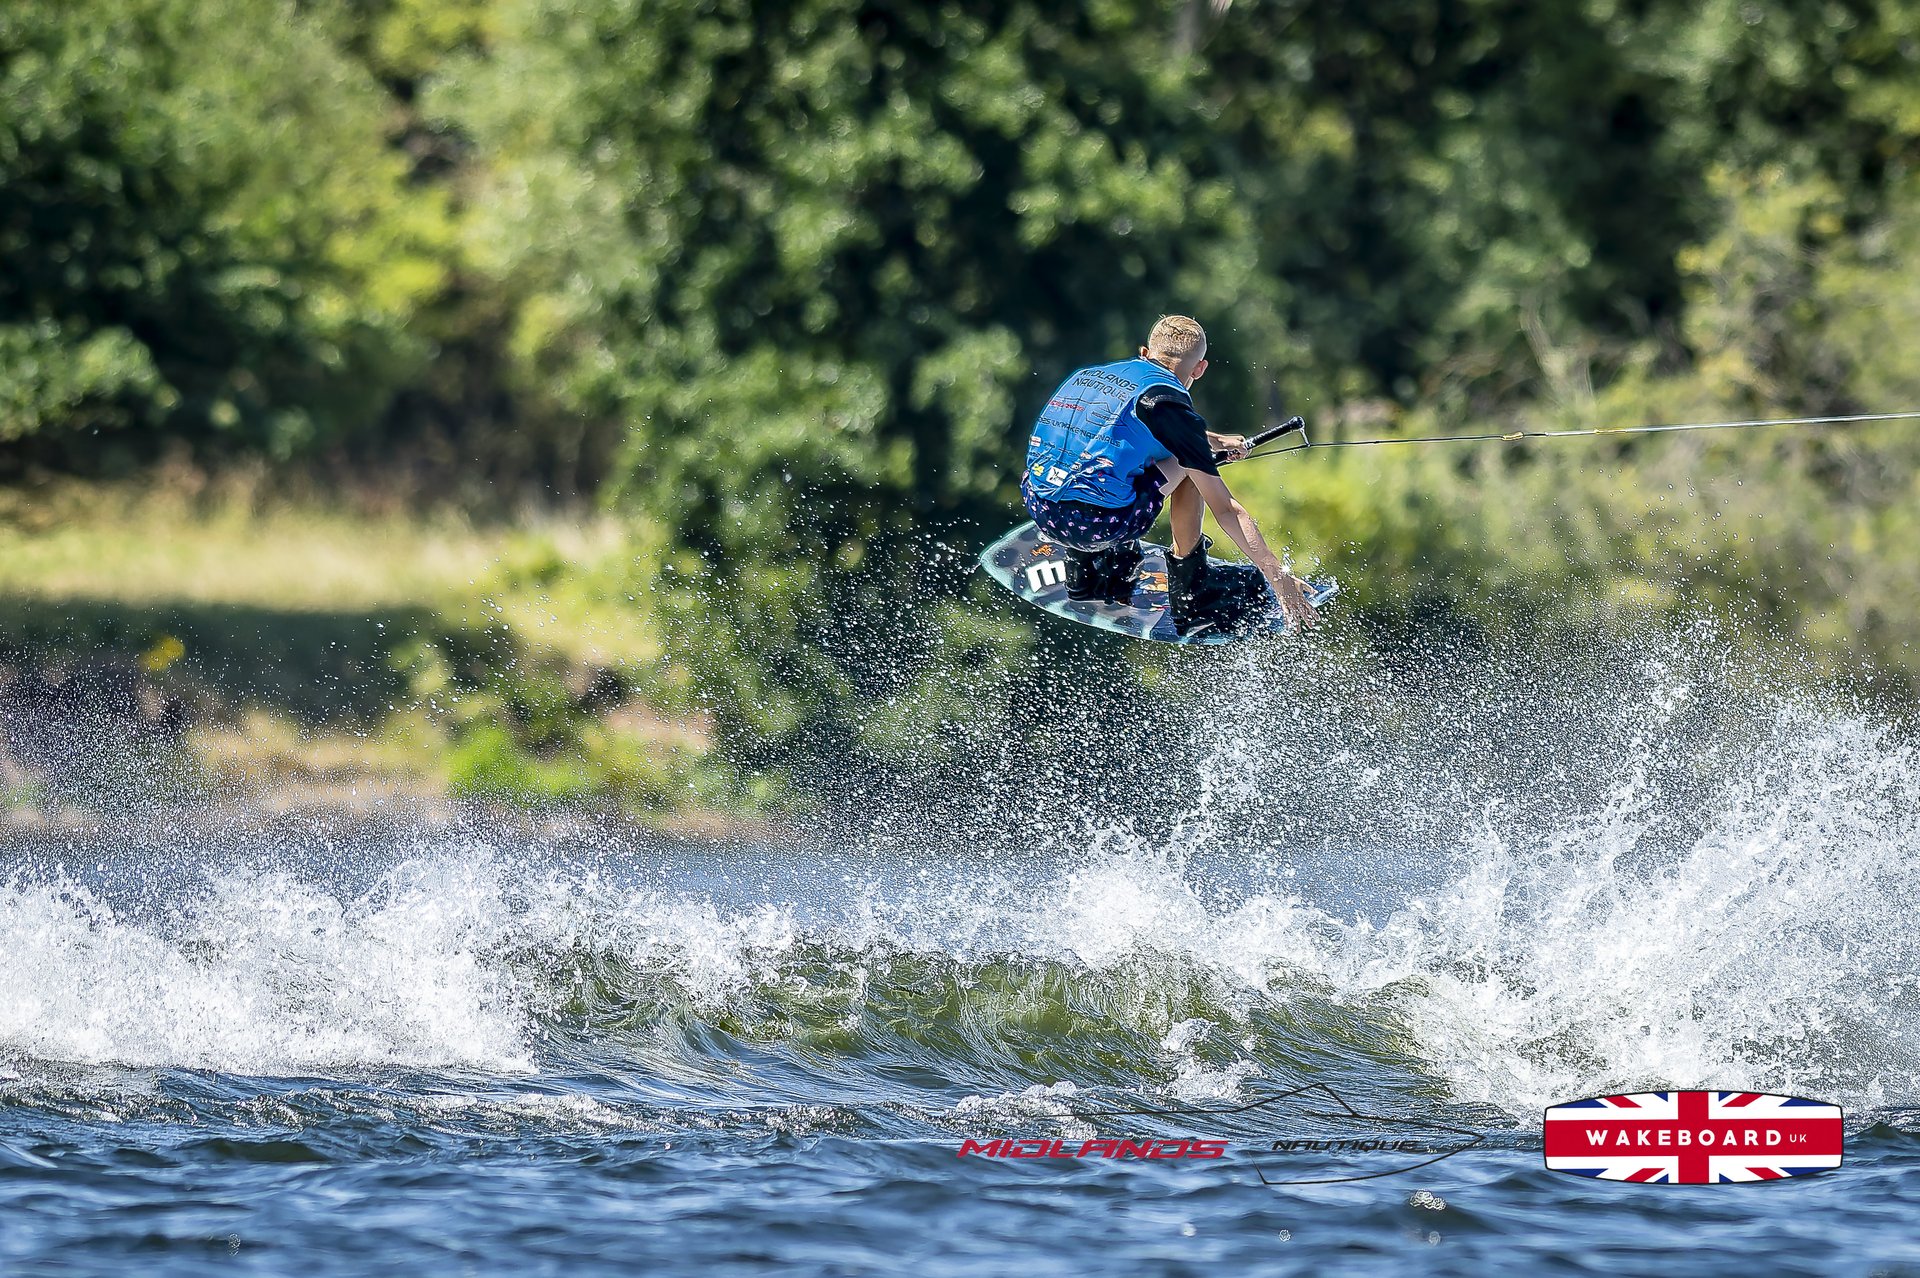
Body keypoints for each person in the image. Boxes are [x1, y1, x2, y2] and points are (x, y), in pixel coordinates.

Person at [1021, 315, 1317, 634]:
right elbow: (1226, 511)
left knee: (1105, 462)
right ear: (1199, 369)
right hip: (1098, 524)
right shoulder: (1169, 404)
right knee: (1190, 465)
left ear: (1145, 352)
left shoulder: (1090, 376)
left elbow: (1123, 429)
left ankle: (1090, 572)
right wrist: (1279, 578)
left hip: (1040, 506)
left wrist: (1213, 440)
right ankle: (1192, 593)